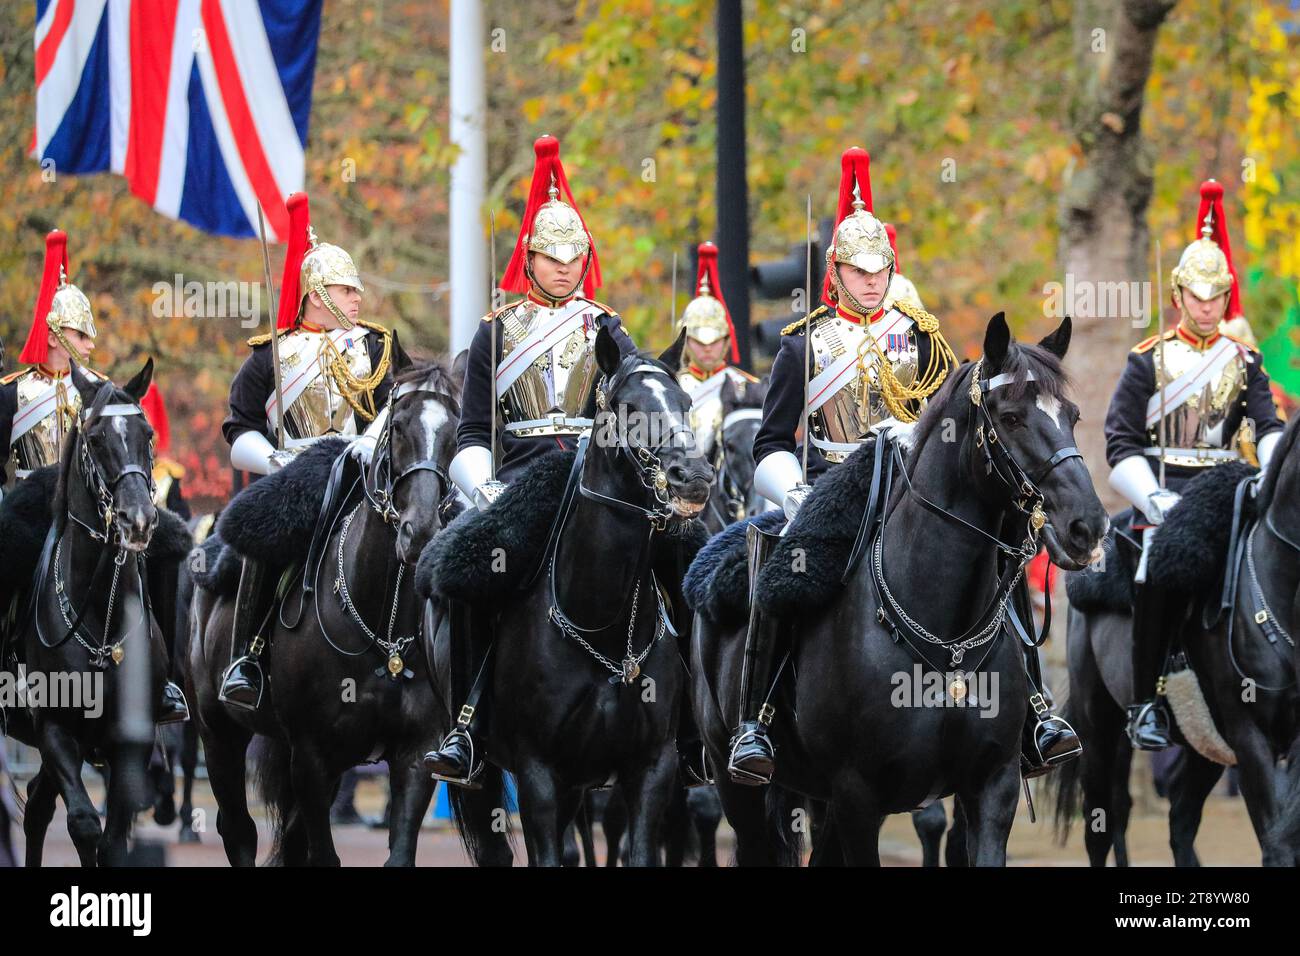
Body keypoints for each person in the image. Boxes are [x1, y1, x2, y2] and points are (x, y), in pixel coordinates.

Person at [424, 135, 640, 786]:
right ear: (530, 256)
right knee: (465, 570)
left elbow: (635, 406)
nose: (567, 267)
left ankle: (688, 728)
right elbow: (469, 432)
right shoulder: (495, 330)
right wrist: (483, 487)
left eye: (577, 257)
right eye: (554, 257)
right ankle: (466, 723)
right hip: (519, 485)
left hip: (596, 484)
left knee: (677, 555)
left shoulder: (609, 327)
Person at [1105, 179, 1284, 750]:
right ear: (1178, 293)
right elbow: (1120, 442)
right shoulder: (1147, 361)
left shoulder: (1245, 361)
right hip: (1162, 494)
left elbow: (1270, 427)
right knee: (1156, 573)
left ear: (1225, 295)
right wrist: (1153, 500)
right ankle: (1145, 704)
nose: (1206, 307)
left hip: (1229, 491)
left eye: (1216, 297)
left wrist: (1273, 478)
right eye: (1196, 296)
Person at [218, 193, 398, 710]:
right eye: (347, 290)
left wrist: (370, 440)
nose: (358, 299)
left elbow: (400, 399)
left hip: (362, 467)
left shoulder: (376, 346)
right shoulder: (271, 354)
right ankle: (246, 657)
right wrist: (275, 461)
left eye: (358, 290)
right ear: (316, 293)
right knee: (267, 536)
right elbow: (240, 428)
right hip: (296, 471)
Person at [0, 230, 189, 722]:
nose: (90, 345)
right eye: (83, 336)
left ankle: (165, 677)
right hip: (32, 507)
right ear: (59, 334)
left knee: (171, 546)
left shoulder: (107, 395)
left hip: (101, 513)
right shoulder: (12, 394)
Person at [674, 241, 758, 461]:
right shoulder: (672, 386)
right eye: (699, 342)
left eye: (714, 341)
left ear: (726, 340)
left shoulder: (745, 387)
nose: (708, 349)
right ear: (686, 341)